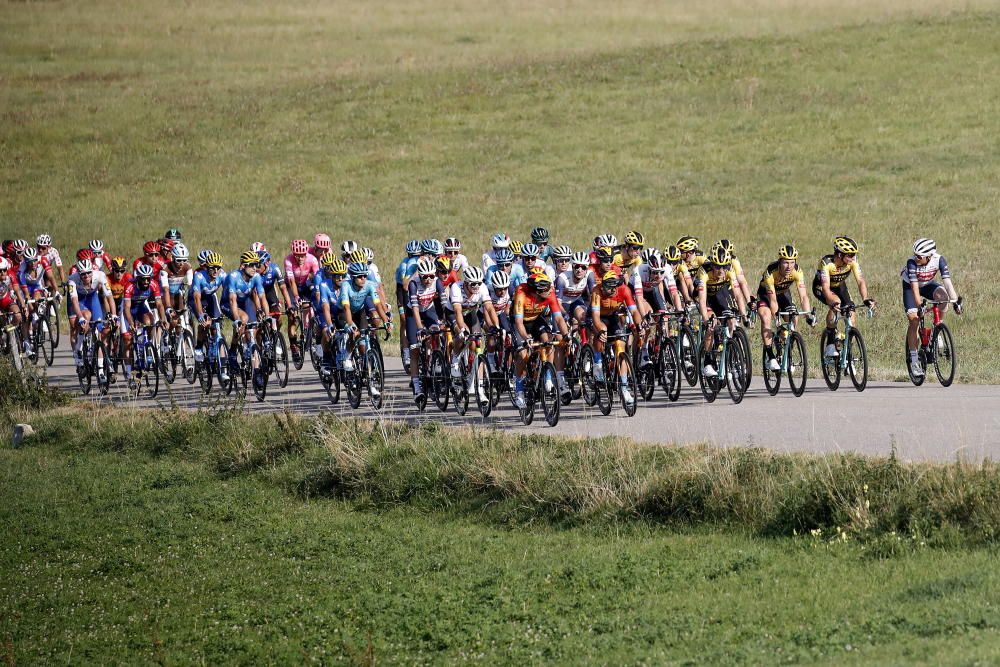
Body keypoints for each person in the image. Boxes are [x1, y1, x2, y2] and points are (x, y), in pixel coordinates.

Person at [901, 238, 963, 377]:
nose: (915, 257)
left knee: (944, 298)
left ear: (929, 256)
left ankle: (937, 328)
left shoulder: (939, 260)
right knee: (914, 320)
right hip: (911, 288)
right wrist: (919, 306)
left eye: (919, 256)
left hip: (928, 285)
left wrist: (955, 302)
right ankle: (914, 360)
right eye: (914, 254)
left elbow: (947, 283)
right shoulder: (911, 263)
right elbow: (915, 288)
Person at [511, 271, 569, 408]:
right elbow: (519, 323)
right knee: (523, 354)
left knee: (548, 340)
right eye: (547, 289)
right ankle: (519, 389)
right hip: (519, 322)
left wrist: (566, 335)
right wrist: (526, 338)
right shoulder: (522, 294)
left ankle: (547, 376)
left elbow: (559, 318)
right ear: (537, 291)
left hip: (536, 320)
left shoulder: (549, 294)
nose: (551, 291)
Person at [813, 236, 875, 359]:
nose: (853, 258)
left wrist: (865, 298)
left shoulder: (852, 262)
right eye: (850, 255)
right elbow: (826, 288)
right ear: (840, 255)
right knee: (836, 303)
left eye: (854, 255)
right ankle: (830, 342)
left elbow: (861, 281)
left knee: (851, 312)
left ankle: (848, 348)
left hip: (839, 286)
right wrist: (832, 303)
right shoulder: (826, 263)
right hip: (822, 288)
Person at [757, 245, 815, 371]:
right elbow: (773, 300)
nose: (789, 266)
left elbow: (803, 296)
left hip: (783, 294)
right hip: (766, 295)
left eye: (792, 262)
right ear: (780, 261)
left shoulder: (797, 271)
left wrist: (808, 315)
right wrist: (777, 321)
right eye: (786, 262)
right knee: (766, 318)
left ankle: (788, 351)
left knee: (794, 317)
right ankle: (770, 356)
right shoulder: (771, 272)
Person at [445, 265, 498, 403]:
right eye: (473, 284)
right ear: (466, 283)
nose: (476, 286)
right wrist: (462, 329)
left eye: (479, 283)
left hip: (470, 313)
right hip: (454, 314)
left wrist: (495, 327)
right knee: (461, 336)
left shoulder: (482, 288)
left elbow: (490, 309)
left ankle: (479, 388)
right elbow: (457, 312)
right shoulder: (456, 288)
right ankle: (455, 359)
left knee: (477, 345)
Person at [695, 245, 748, 379]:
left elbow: (738, 295)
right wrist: (706, 320)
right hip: (704, 295)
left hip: (718, 293)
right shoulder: (704, 272)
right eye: (718, 266)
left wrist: (744, 315)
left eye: (724, 266)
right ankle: (707, 360)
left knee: (731, 318)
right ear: (712, 264)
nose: (721, 270)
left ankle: (730, 353)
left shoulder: (729, 270)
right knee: (711, 325)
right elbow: (702, 300)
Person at [589, 271, 640, 403]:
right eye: (608, 287)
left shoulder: (624, 290)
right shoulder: (596, 291)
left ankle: (624, 387)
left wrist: (639, 325)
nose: (612, 290)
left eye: (614, 287)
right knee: (602, 331)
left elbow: (634, 311)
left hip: (613, 315)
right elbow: (595, 318)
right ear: (602, 286)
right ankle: (598, 363)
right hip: (598, 316)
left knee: (620, 346)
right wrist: (600, 331)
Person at [67, 259, 116, 378]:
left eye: (88, 273)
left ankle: (100, 369)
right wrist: (80, 318)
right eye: (83, 274)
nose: (86, 276)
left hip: (92, 299)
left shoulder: (100, 275)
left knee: (99, 330)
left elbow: (109, 296)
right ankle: (79, 348)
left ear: (92, 272)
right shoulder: (72, 279)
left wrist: (114, 315)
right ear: (79, 274)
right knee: (85, 318)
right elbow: (74, 301)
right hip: (79, 301)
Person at [122, 263, 168, 383]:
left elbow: (159, 304)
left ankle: (146, 346)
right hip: (128, 309)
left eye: (149, 278)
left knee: (151, 321)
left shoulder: (153, 284)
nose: (146, 281)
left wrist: (163, 319)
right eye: (144, 279)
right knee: (127, 340)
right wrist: (131, 322)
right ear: (138, 278)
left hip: (141, 307)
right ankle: (128, 372)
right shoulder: (130, 286)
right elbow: (126, 307)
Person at [406, 257, 445, 400]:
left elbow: (443, 303)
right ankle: (417, 387)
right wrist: (420, 328)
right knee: (415, 349)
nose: (428, 279)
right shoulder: (413, 284)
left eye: (431, 276)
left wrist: (444, 321)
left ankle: (434, 365)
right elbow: (415, 309)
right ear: (420, 276)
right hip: (413, 314)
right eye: (425, 277)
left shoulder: (437, 282)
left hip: (429, 311)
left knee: (436, 334)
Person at [188, 251, 228, 374]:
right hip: (196, 299)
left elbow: (228, 292)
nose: (216, 270)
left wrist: (227, 308)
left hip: (210, 297)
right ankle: (199, 347)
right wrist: (201, 315)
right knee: (204, 323)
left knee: (216, 327)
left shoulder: (222, 275)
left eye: (218, 268)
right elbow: (196, 298)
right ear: (207, 267)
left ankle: (219, 358)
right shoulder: (199, 276)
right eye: (212, 268)